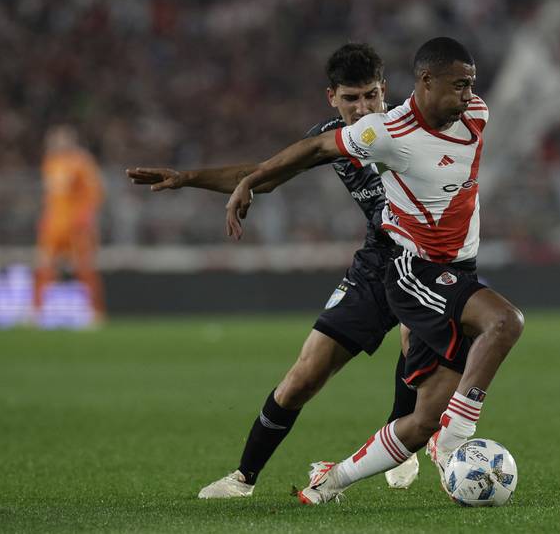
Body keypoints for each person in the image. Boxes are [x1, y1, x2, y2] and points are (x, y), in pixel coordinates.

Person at [224, 37, 524, 504]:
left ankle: (330, 481)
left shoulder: (477, 114)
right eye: (459, 85)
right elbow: (315, 149)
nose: (469, 95)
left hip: (459, 271)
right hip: (414, 269)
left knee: (422, 420)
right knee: (504, 321)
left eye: (471, 84)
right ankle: (455, 439)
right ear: (426, 81)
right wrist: (251, 180)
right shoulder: (386, 132)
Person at [126, 44, 419, 497]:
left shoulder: (410, 126)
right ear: (332, 98)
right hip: (377, 260)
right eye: (351, 98)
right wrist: (187, 178)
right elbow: (264, 174)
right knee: (305, 374)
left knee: (414, 336)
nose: (363, 109)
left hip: (428, 257)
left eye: (371, 96)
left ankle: (402, 439)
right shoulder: (330, 138)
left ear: (385, 91)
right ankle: (243, 478)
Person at [35, 125, 106, 324]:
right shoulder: (50, 162)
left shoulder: (82, 162)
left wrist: (85, 218)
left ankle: (95, 312)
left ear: (71, 141)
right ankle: (38, 311)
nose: (57, 143)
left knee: (84, 268)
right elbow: (50, 197)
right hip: (54, 225)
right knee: (44, 266)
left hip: (76, 226)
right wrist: (45, 219)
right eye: (54, 139)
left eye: (61, 139)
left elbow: (95, 193)